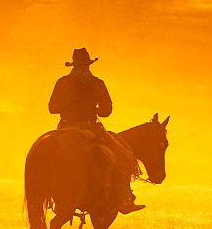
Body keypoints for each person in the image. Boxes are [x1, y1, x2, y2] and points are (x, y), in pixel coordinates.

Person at [48, 48, 145, 214]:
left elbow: (52, 108)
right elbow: (106, 111)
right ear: (88, 65)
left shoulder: (62, 82)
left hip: (65, 127)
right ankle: (124, 198)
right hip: (89, 127)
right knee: (122, 155)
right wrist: (96, 110)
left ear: (73, 65)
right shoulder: (97, 83)